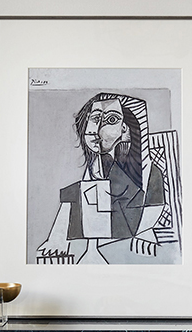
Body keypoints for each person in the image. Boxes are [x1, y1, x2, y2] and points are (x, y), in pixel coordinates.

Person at [37, 92, 165, 264]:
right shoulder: (96, 166)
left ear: (125, 129)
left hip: (126, 237)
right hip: (106, 236)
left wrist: (145, 230)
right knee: (79, 191)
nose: (96, 130)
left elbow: (154, 204)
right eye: (95, 118)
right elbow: (87, 203)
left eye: (111, 120)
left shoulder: (147, 171)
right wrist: (58, 238)